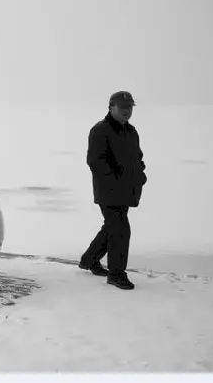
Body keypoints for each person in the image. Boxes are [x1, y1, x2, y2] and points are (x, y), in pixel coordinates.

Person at [80, 91, 147, 290]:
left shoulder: (131, 131)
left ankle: (89, 260)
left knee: (112, 227)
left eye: (130, 107)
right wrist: (114, 182)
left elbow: (137, 158)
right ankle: (116, 275)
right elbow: (95, 161)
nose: (127, 111)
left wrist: (140, 176)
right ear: (111, 107)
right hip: (109, 191)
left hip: (128, 190)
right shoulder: (100, 130)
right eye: (122, 107)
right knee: (120, 230)